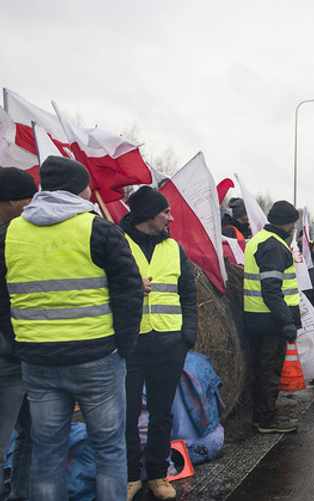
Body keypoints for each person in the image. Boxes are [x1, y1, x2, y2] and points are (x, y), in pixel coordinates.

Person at [0, 156, 143, 501]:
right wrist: (123, 345)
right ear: (81, 189)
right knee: (109, 450)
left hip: (38, 361)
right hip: (96, 358)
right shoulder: (98, 229)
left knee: (47, 454)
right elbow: (130, 290)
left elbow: (4, 299)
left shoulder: (12, 232)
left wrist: (20, 343)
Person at [120, 187, 197, 501]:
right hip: (130, 342)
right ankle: (127, 476)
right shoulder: (117, 243)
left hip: (168, 341)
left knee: (162, 412)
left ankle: (157, 474)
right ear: (148, 215)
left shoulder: (174, 248)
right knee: (126, 411)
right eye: (165, 211)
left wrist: (187, 332)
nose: (170, 216)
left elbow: (188, 294)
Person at [243, 201, 303, 434]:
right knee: (269, 370)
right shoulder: (274, 246)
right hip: (270, 319)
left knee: (261, 368)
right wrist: (286, 321)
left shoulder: (258, 240)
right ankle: (266, 420)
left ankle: (261, 415)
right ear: (288, 223)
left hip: (257, 316)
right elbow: (271, 289)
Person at [0, 167, 37, 500]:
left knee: (34, 432)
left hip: (25, 349)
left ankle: (22, 494)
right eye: (27, 202)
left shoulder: (16, 234)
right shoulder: (9, 237)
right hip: (10, 349)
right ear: (9, 203)